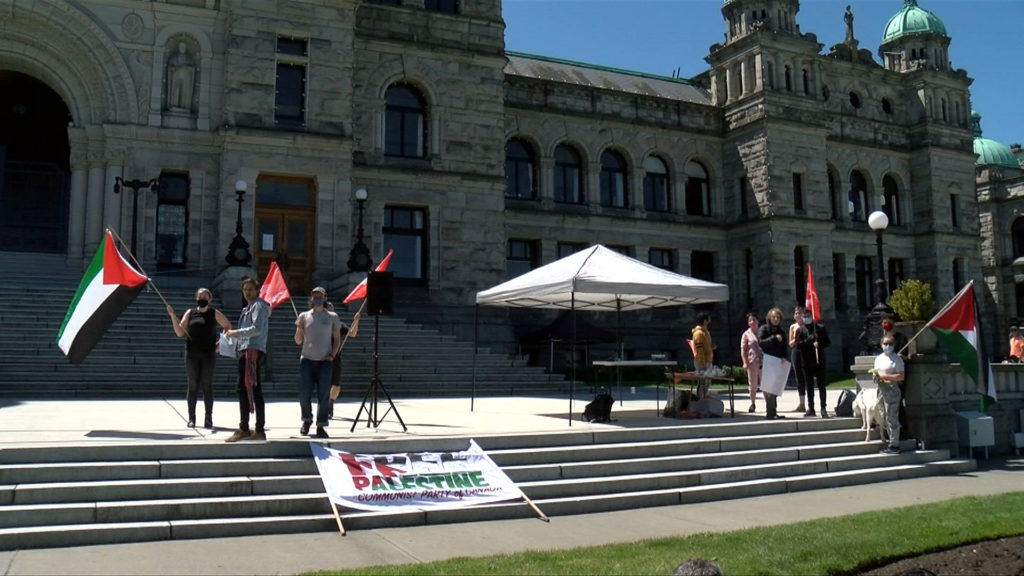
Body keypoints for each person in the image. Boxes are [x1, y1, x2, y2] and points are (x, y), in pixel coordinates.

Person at [166, 288, 231, 429]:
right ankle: (191, 418)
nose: (202, 298)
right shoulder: (190, 313)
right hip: (192, 354)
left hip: (209, 354)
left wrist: (220, 344)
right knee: (192, 385)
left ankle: (208, 418)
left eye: (205, 296)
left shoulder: (214, 313)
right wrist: (172, 315)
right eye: (200, 296)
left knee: (207, 386)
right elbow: (179, 332)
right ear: (196, 298)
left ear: (210, 299)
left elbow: (227, 326)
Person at [223, 277, 269, 442]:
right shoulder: (248, 308)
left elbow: (256, 329)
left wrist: (236, 332)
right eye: (245, 289)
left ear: (257, 290)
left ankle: (253, 429)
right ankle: (250, 427)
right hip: (245, 350)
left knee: (250, 387)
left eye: (250, 289)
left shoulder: (258, 305)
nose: (247, 292)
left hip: (252, 351)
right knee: (245, 387)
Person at [294, 287, 343, 438]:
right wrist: (299, 328)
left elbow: (337, 339)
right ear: (311, 297)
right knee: (304, 395)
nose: (317, 298)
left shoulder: (332, 316)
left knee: (324, 396)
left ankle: (321, 425)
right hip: (307, 361)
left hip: (325, 362)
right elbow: (298, 341)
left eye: (320, 295)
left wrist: (333, 355)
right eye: (315, 295)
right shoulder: (303, 316)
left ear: (325, 297)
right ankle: (306, 420)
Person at [324, 301, 360, 420]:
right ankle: (324, 406)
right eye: (328, 309)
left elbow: (353, 334)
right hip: (321, 357)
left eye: (331, 309)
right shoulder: (319, 323)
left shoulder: (339, 324)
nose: (330, 311)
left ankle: (331, 403)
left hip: (335, 358)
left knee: (336, 385)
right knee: (324, 384)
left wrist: (356, 320)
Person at [796, 308, 831, 418]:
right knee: (809, 386)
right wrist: (810, 340)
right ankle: (811, 408)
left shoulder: (820, 328)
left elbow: (827, 342)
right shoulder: (800, 330)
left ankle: (823, 408)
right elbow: (798, 345)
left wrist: (819, 343)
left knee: (821, 385)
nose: (807, 318)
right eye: (805, 316)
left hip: (819, 361)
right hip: (807, 361)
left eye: (808, 316)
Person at [874, 334, 905, 454]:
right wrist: (877, 377)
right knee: (883, 415)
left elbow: (901, 376)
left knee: (892, 416)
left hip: (892, 389)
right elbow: (876, 373)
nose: (887, 346)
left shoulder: (897, 359)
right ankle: (890, 439)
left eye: (890, 344)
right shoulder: (879, 358)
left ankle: (895, 444)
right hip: (881, 389)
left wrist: (886, 376)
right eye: (885, 344)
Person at [757, 307, 788, 420]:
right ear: (769, 318)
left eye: (778, 317)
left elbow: (784, 347)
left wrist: (785, 357)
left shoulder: (782, 331)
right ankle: (770, 412)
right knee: (769, 388)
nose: (776, 319)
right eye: (773, 317)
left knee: (775, 388)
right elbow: (761, 342)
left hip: (778, 362)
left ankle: (773, 411)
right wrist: (774, 338)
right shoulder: (764, 329)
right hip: (767, 361)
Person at [740, 312, 762, 413]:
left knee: (765, 384)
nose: (752, 322)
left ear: (757, 321)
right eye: (750, 320)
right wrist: (745, 362)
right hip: (752, 361)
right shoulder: (746, 334)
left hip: (763, 361)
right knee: (753, 385)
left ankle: (769, 404)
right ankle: (753, 403)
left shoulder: (762, 331)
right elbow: (743, 349)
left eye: (754, 320)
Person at [788, 307, 807, 413]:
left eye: (800, 313)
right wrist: (796, 338)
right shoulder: (793, 327)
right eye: (796, 313)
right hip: (796, 351)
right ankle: (802, 403)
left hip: (806, 351)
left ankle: (810, 403)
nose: (798, 315)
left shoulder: (807, 326)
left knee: (807, 376)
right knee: (799, 377)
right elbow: (790, 343)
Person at [167, 42, 195, 111]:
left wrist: (187, 68)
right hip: (176, 76)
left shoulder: (189, 58)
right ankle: (174, 105)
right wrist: (175, 68)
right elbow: (170, 67)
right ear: (179, 47)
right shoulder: (174, 57)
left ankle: (184, 106)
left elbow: (192, 68)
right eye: (181, 47)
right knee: (176, 90)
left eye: (184, 47)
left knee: (184, 91)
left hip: (186, 76)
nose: (182, 48)